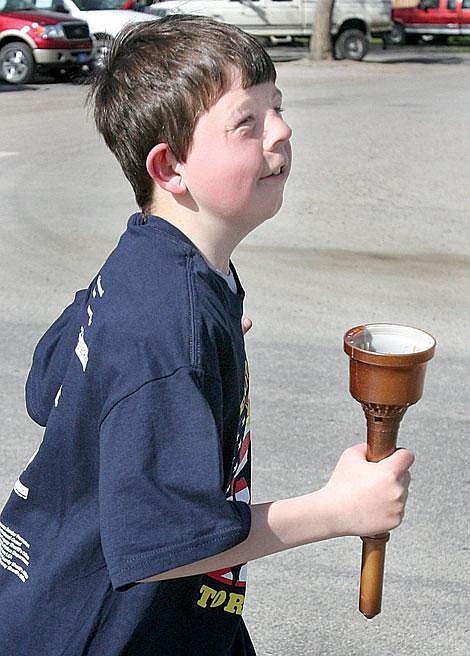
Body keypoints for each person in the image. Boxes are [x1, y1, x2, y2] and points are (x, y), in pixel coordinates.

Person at [0, 15, 414, 655]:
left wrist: (181, 356)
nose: (282, 129)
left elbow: (48, 385)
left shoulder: (152, 260)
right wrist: (338, 510)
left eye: (277, 107)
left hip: (154, 615)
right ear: (170, 168)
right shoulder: (168, 319)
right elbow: (160, 543)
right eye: (247, 122)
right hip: (100, 633)